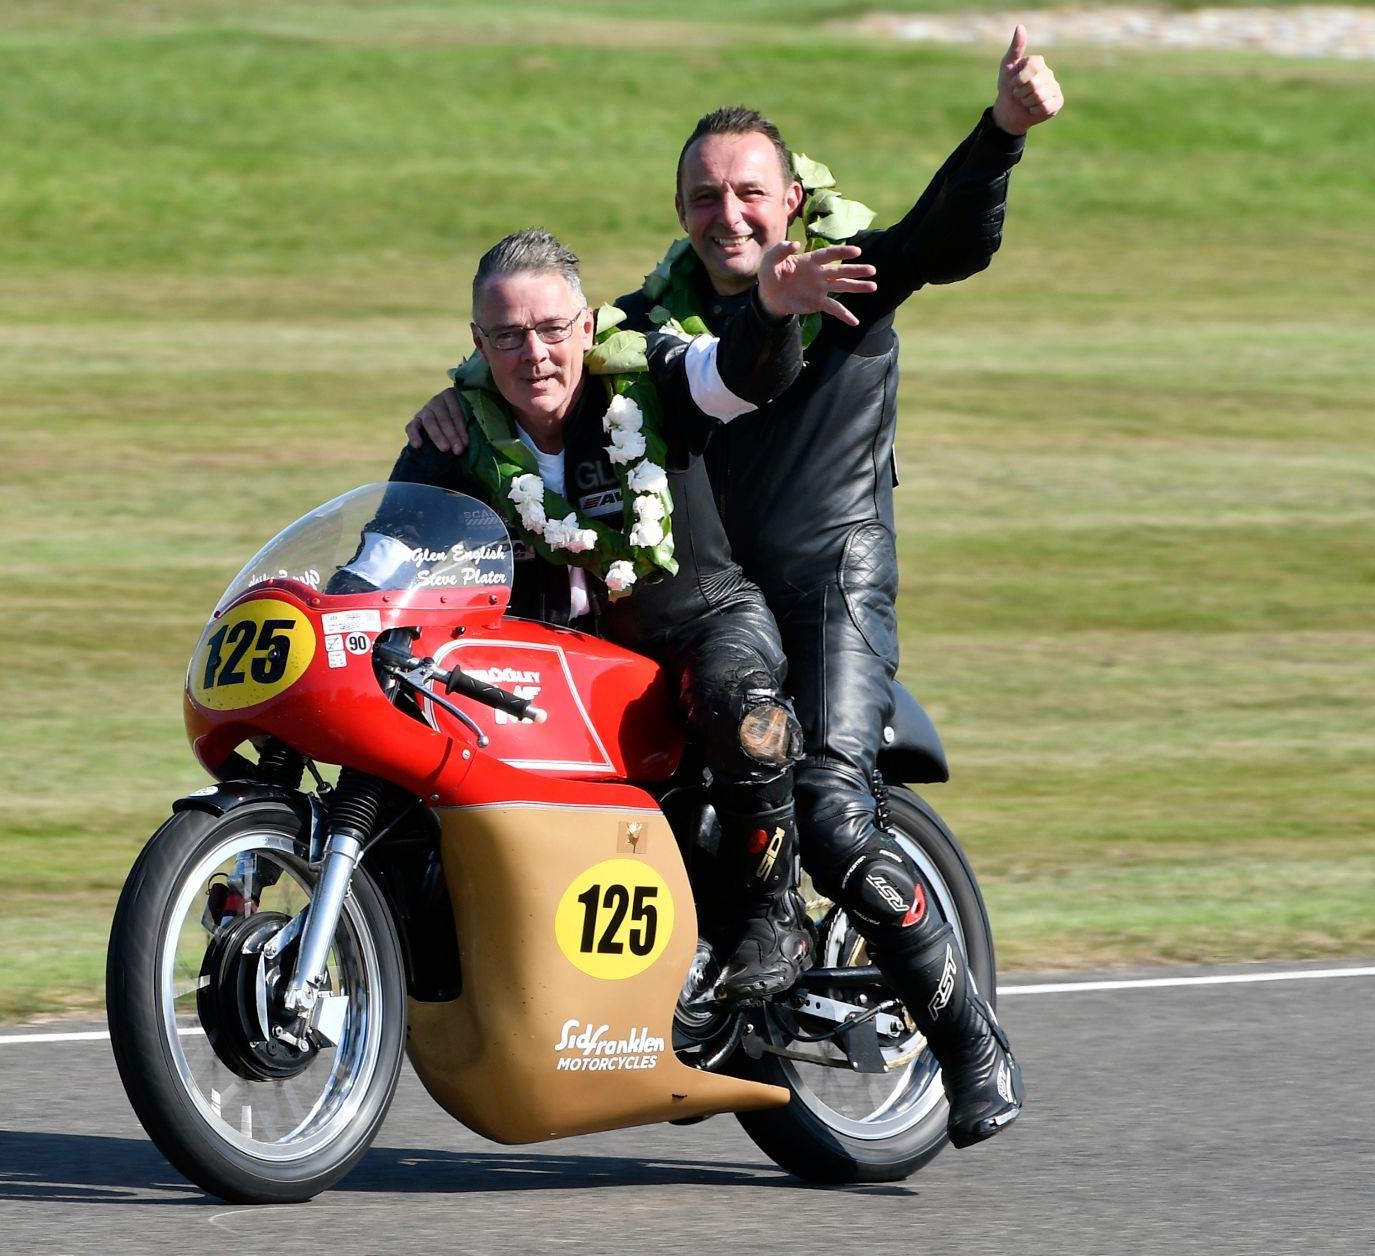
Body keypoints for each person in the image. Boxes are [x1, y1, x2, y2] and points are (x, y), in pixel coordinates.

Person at [403, 29, 1062, 1149]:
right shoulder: (642, 326)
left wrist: (1001, 133)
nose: (729, 214)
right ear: (680, 212)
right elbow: (541, 348)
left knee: (830, 812)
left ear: (792, 200)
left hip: (823, 584)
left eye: (750, 192)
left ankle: (967, 1038)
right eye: (705, 197)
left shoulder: (840, 275)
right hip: (696, 591)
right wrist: (454, 401)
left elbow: (938, 241)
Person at [371, 229, 874, 994]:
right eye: (507, 336)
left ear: (586, 326)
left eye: (550, 329)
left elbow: (733, 376)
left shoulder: (648, 376)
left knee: (739, 708)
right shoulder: (452, 435)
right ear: (477, 343)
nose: (533, 354)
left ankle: (772, 918)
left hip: (699, 627)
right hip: (552, 670)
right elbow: (382, 560)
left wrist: (769, 314)